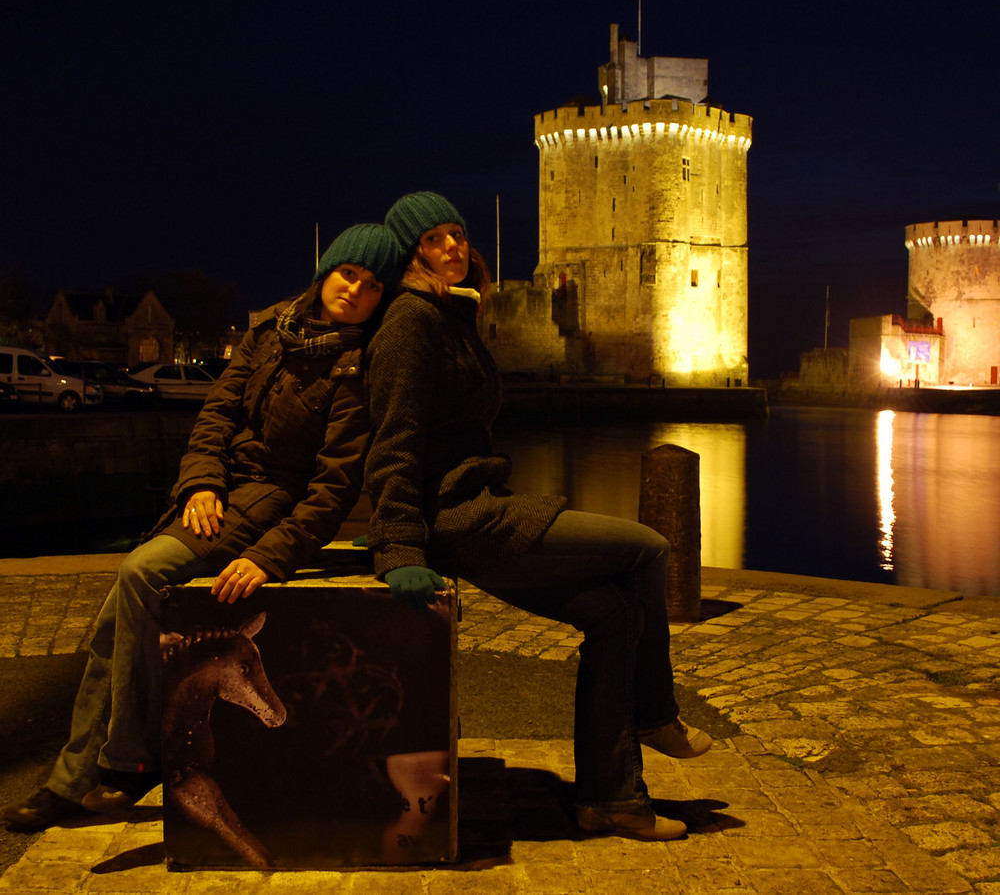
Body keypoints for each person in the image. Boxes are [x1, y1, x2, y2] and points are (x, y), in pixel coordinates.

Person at [2, 223, 408, 832]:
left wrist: (270, 557)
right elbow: (217, 412)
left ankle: (126, 760)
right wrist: (200, 481)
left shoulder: (356, 366)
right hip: (219, 494)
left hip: (266, 505)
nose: (356, 289)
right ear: (327, 271)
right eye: (349, 273)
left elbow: (332, 487)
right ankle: (83, 775)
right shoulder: (270, 331)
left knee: (139, 571)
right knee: (119, 618)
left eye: (373, 285)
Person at [363, 192, 712, 843]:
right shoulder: (409, 323)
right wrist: (401, 553)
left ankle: (611, 800)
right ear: (411, 254)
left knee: (616, 615)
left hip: (483, 505)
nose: (453, 247)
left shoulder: (450, 318)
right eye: (434, 239)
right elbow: (393, 444)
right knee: (646, 549)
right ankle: (655, 713)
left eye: (457, 234)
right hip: (460, 519)